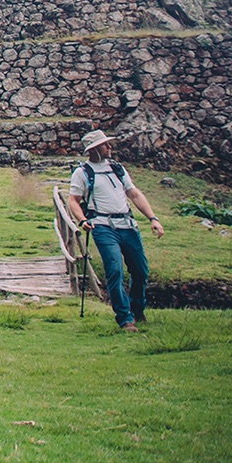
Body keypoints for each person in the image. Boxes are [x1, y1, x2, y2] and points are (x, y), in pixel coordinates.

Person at [69, 129, 164, 331]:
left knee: (140, 271)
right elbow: (73, 201)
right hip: (103, 227)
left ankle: (137, 309)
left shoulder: (118, 169)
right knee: (115, 270)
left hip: (128, 225)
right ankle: (125, 318)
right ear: (94, 149)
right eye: (105, 144)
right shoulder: (83, 173)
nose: (109, 147)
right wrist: (83, 220)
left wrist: (152, 218)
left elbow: (134, 194)